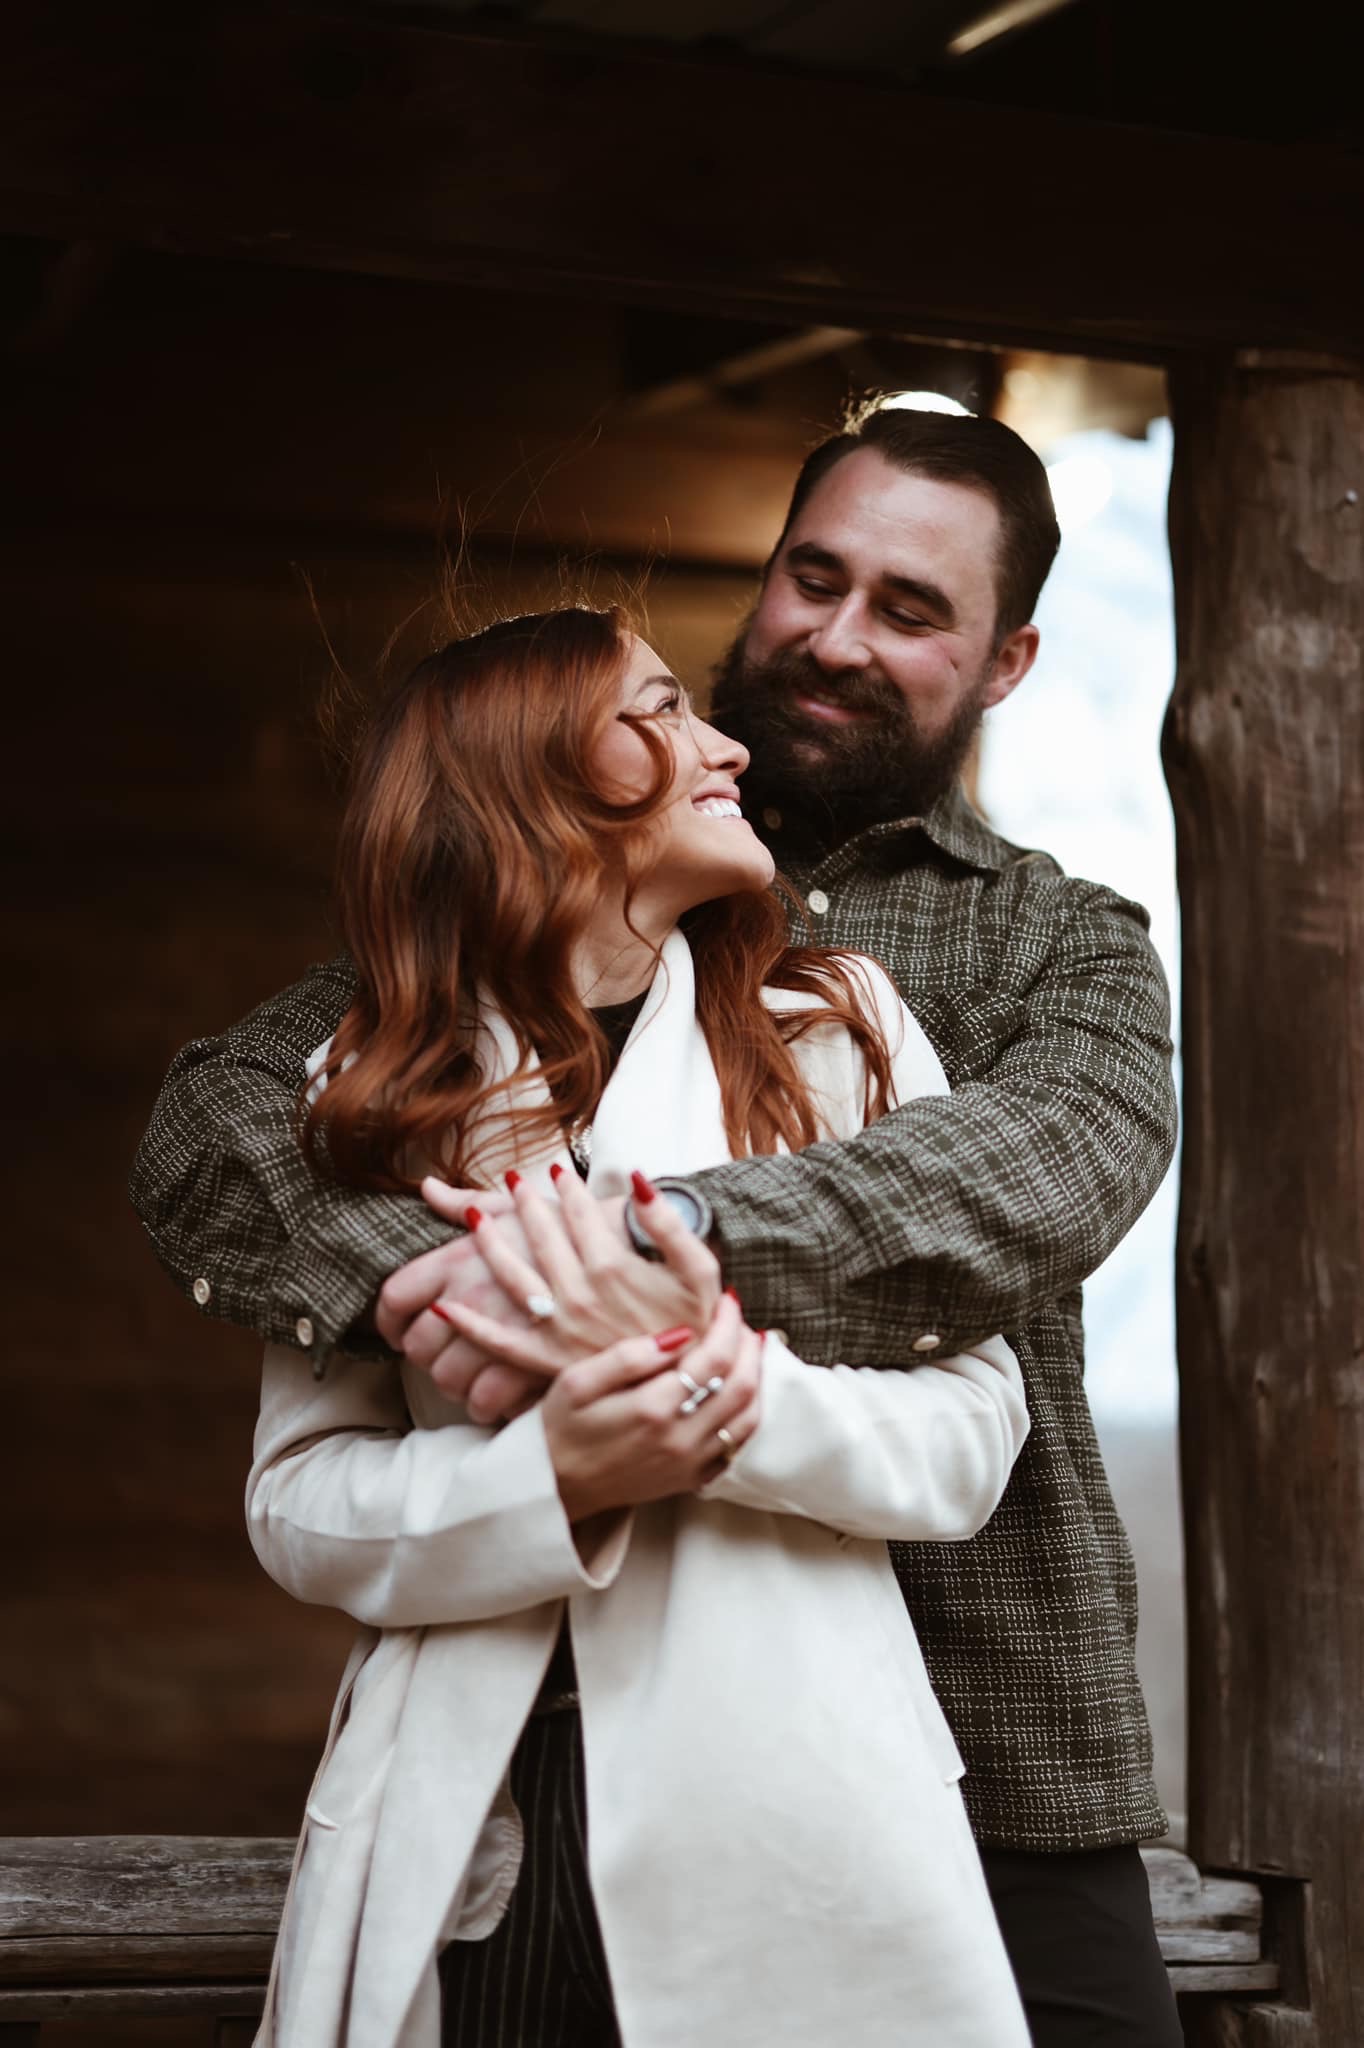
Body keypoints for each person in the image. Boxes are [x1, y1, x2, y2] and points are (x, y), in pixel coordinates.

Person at [131, 404, 1182, 2045]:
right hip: (530, 1730)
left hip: (999, 1719)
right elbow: (225, 1122)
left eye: (909, 610)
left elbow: (1030, 1177)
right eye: (813, 578)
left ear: (1007, 663)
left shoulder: (1051, 945)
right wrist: (466, 1292)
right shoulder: (471, 982)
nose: (837, 637)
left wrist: (636, 1261)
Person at [244, 603, 1032, 2047]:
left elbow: (975, 1432)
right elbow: (298, 1501)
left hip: (787, 1815)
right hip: (472, 1833)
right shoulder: (365, 1081)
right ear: (525, 776)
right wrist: (552, 1483)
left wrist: (732, 1406)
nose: (726, 746)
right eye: (659, 711)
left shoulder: (835, 1028)